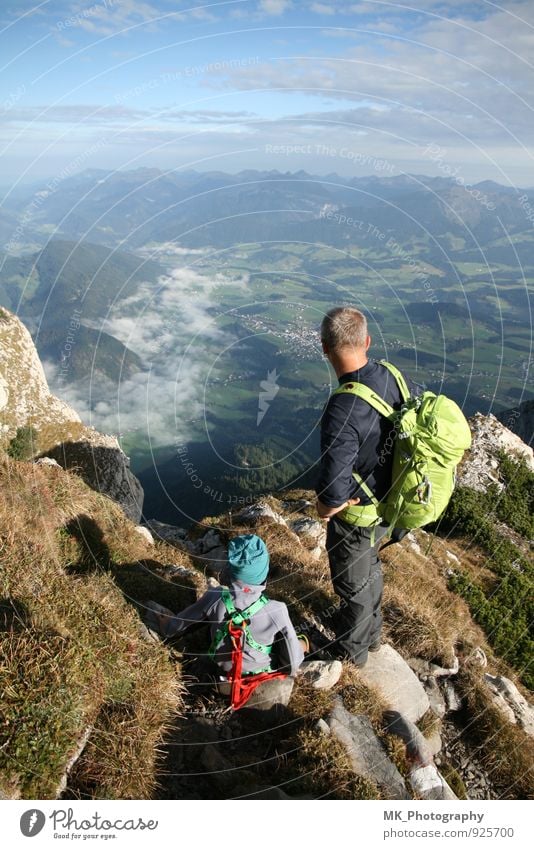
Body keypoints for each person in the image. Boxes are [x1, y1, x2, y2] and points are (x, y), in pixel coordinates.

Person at [315, 306, 416, 668]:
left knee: (352, 585)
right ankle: (371, 637)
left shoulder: (344, 405)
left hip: (359, 513)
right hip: (392, 502)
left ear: (325, 348)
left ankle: (352, 655)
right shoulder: (390, 374)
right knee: (369, 569)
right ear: (367, 341)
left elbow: (334, 479)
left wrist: (326, 508)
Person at [144, 533, 306, 681]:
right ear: (264, 571)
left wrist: (166, 623)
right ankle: (307, 643)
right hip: (259, 678)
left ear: (231, 569)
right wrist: (301, 646)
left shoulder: (215, 597)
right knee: (299, 641)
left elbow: (175, 627)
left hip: (222, 674)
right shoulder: (277, 610)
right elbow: (293, 663)